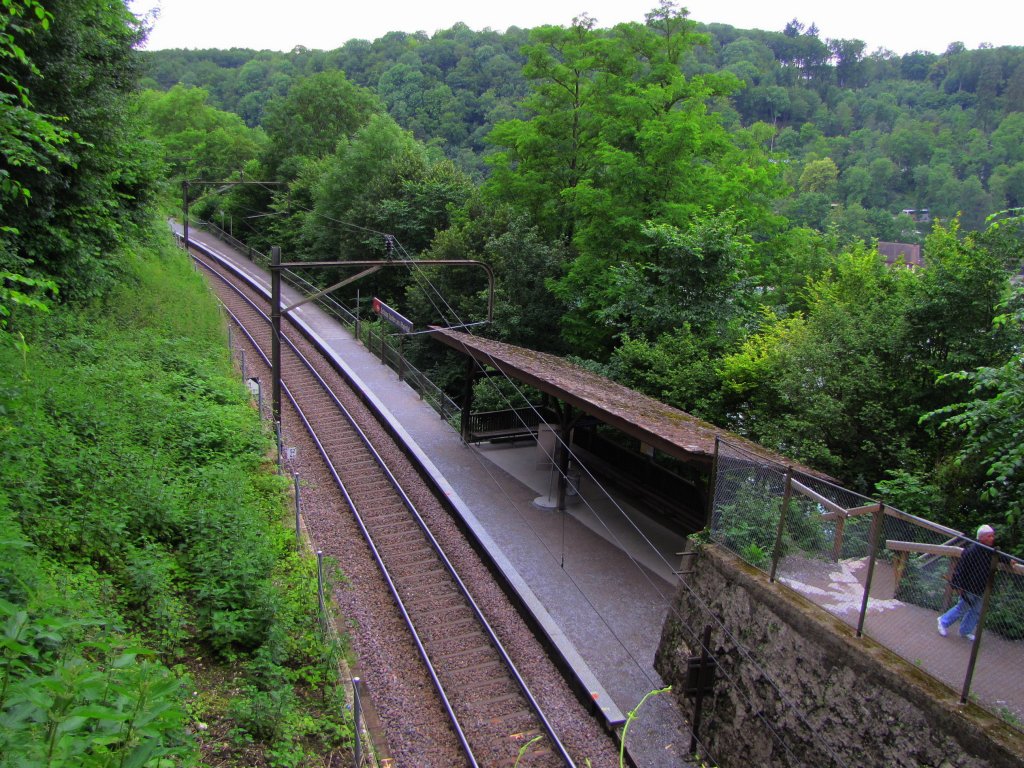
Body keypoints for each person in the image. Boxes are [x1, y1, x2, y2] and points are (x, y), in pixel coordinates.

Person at [937, 524, 997, 642]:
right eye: (990, 536)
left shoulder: (989, 551)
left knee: (976, 610)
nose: (992, 538)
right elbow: (961, 569)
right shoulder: (971, 552)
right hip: (969, 587)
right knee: (962, 607)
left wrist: (1009, 560)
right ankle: (943, 621)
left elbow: (998, 557)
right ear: (982, 538)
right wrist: (958, 586)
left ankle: (965, 631)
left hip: (982, 587)